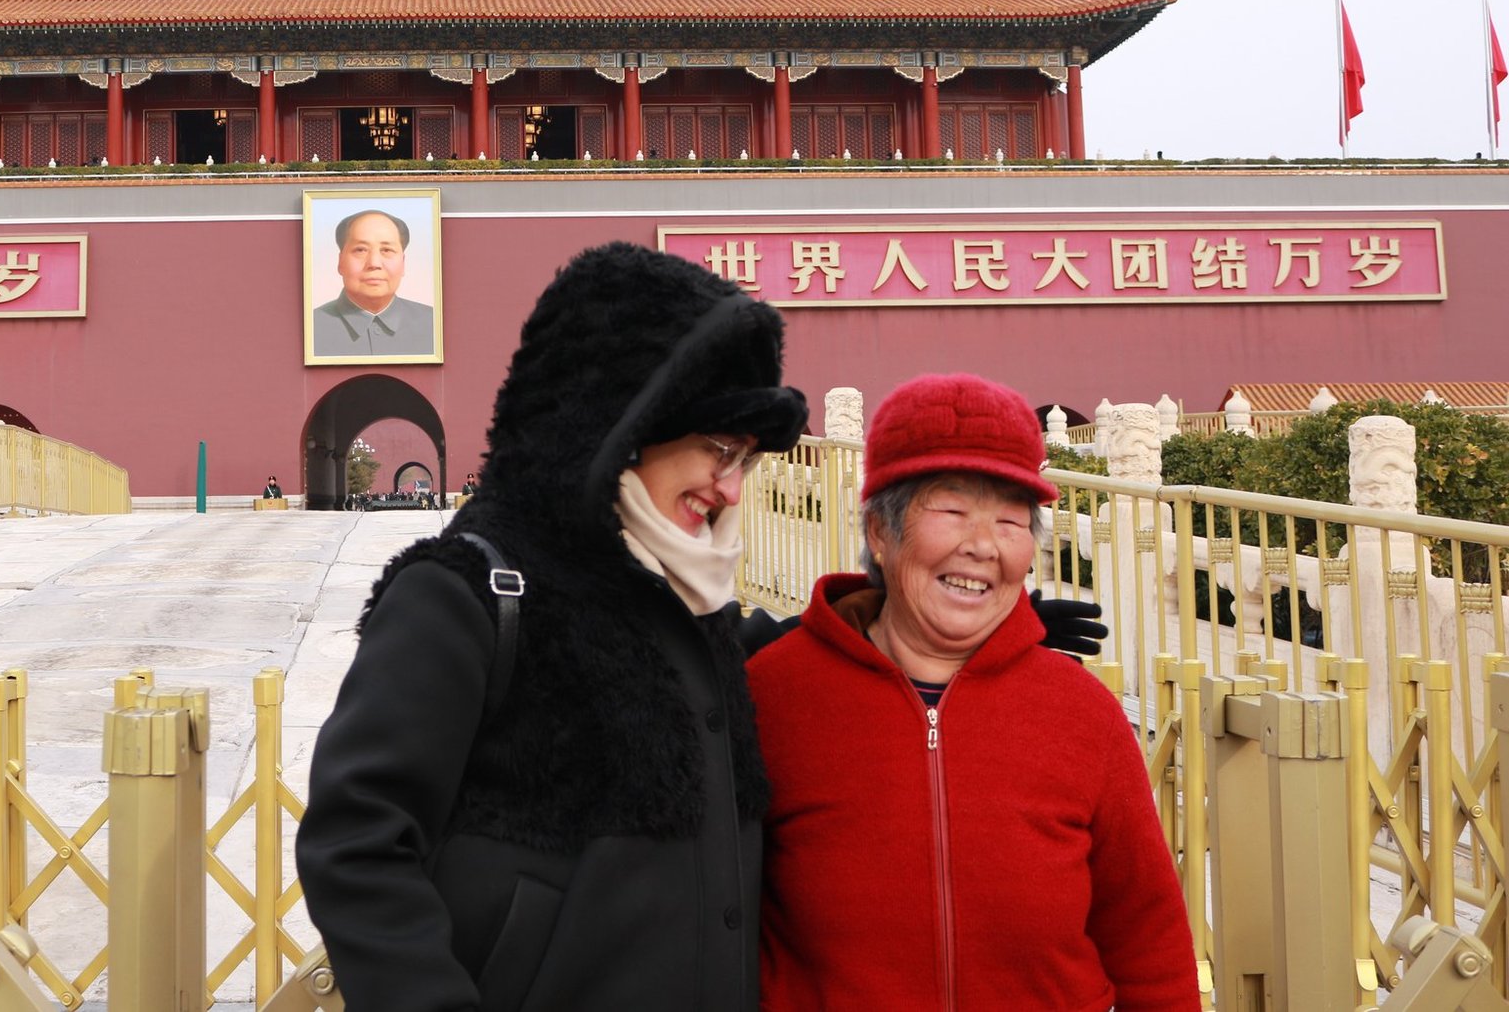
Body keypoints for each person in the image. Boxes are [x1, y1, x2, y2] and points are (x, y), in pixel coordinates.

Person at [298, 242, 804, 1011]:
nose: (729, 489)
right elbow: (356, 845)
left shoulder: (682, 604)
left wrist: (930, 616)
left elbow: (786, 648)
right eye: (717, 450)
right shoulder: (464, 594)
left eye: (745, 461)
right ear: (624, 423)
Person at [748, 372, 1197, 1011]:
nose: (983, 545)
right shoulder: (774, 695)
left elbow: (1149, 945)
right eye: (951, 510)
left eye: (1011, 519)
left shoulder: (1080, 712)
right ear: (880, 531)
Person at [311, 208, 436, 356]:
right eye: (360, 250)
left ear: (403, 263)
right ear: (340, 261)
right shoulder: (310, 327)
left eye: (387, 250)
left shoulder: (434, 324)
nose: (374, 263)